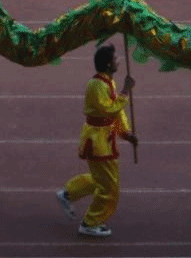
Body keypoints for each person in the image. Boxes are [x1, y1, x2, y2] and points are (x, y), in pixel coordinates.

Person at [56, 44, 137, 238]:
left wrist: (125, 133)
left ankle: (69, 193)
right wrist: (125, 92)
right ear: (108, 64)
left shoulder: (108, 82)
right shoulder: (96, 85)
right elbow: (108, 109)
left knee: (102, 179)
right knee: (109, 186)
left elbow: (116, 112)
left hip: (105, 139)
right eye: (115, 59)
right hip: (98, 141)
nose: (118, 61)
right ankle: (90, 222)